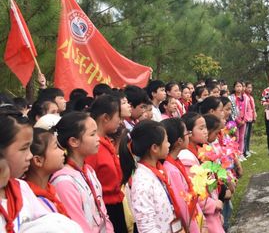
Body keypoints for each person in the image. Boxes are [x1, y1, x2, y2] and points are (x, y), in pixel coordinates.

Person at [52, 112, 114, 232]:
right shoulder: (64, 182)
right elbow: (78, 225)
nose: (98, 139)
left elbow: (103, 214)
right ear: (74, 141)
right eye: (92, 134)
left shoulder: (89, 170)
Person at [119, 120, 184, 233]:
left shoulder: (156, 171)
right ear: (154, 148)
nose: (169, 144)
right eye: (166, 141)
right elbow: (146, 227)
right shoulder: (142, 181)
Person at [86, 95, 126, 233]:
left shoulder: (106, 142)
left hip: (115, 204)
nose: (120, 121)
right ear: (106, 118)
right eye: (118, 117)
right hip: (104, 208)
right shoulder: (93, 148)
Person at [161, 118, 207, 233]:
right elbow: (183, 206)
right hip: (189, 224)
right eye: (187, 133)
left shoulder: (177, 162)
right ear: (179, 141)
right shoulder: (171, 170)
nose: (189, 136)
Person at [25, 128, 69, 216]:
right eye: (56, 147)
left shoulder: (50, 190)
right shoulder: (30, 199)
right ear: (38, 160)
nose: (62, 151)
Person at [243, 82, 256, 157]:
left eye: (251, 87)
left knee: (248, 135)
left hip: (251, 117)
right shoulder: (244, 97)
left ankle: (247, 148)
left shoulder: (251, 97)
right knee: (245, 135)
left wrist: (254, 116)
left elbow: (253, 108)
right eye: (248, 87)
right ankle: (244, 150)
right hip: (247, 118)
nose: (249, 89)